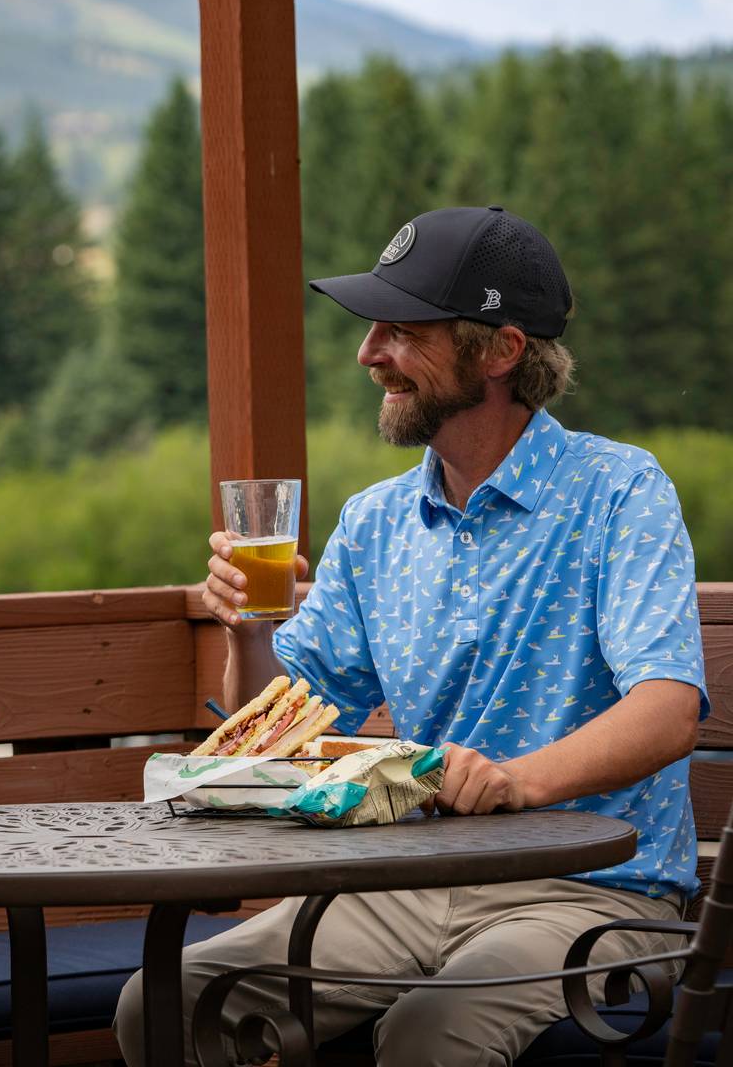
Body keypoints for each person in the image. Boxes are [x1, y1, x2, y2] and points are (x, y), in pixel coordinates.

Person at [115, 205, 705, 1067]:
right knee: (166, 1004)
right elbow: (283, 727)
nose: (368, 355)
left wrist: (510, 781)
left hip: (590, 894)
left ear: (501, 351)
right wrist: (248, 626)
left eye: (402, 331)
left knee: (433, 1031)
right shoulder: (376, 520)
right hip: (407, 880)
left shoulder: (619, 492)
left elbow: (668, 712)